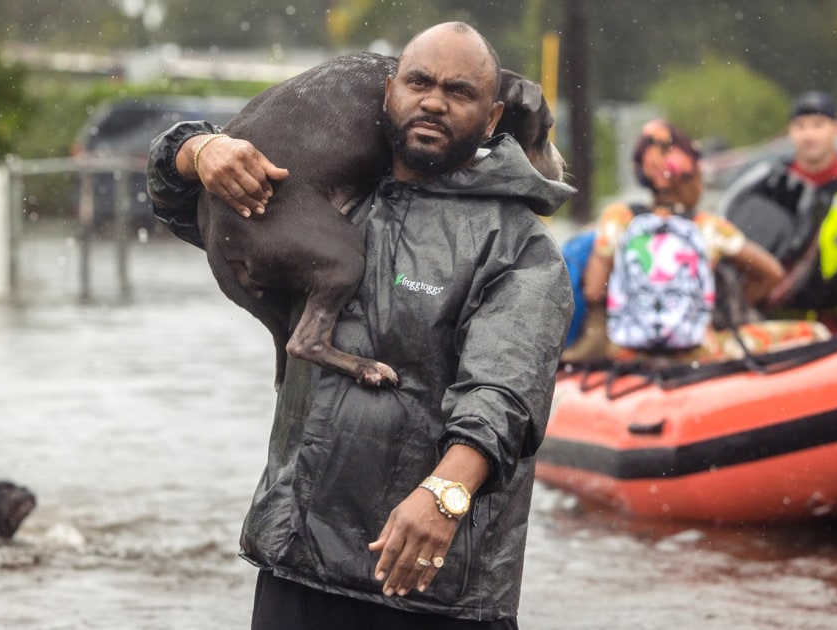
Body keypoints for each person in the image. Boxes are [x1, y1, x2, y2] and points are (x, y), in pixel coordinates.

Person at [147, 22, 574, 630]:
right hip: (297, 565)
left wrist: (445, 495)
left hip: (437, 580)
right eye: (419, 82)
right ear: (387, 90)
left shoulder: (518, 247)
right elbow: (186, 212)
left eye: (458, 91)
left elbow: (504, 392)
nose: (432, 101)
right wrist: (197, 150)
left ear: (492, 117)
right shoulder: (327, 206)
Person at [562, 119, 792, 364]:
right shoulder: (707, 225)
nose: (701, 185)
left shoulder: (619, 217)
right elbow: (772, 274)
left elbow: (595, 290)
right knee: (815, 334)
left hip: (625, 350)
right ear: (685, 177)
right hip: (700, 350)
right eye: (698, 175)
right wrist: (713, 307)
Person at [720, 91, 837, 334]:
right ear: (790, 133)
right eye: (800, 126)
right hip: (778, 324)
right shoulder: (768, 186)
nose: (809, 135)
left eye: (818, 125)